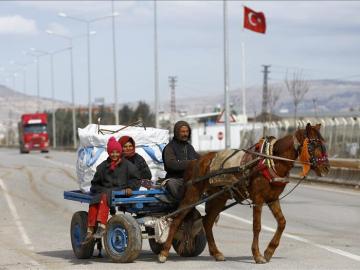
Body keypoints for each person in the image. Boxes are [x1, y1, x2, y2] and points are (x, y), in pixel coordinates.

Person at [83, 137, 140, 243]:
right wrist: (101, 190)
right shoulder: (102, 167)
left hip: (121, 192)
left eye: (117, 152)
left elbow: (136, 180)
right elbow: (94, 184)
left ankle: (102, 225)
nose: (114, 155)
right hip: (105, 192)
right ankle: (90, 230)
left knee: (105, 195)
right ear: (108, 153)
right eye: (112, 152)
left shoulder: (128, 166)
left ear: (120, 152)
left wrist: (130, 188)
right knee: (95, 200)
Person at [162, 120, 200, 201]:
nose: (185, 134)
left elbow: (199, 159)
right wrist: (191, 163)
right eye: (182, 132)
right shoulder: (170, 148)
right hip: (176, 179)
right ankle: (179, 204)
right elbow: (171, 164)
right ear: (176, 132)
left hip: (190, 179)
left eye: (187, 131)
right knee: (171, 183)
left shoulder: (189, 147)